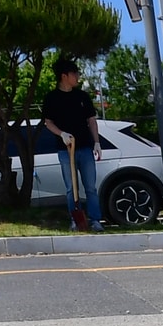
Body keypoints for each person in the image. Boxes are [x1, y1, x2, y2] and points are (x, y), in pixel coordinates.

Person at [42, 57, 103, 232]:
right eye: (74, 73)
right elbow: (48, 122)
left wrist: (97, 143)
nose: (77, 76)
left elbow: (91, 120)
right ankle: (75, 219)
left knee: (90, 186)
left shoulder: (82, 97)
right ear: (64, 76)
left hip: (84, 147)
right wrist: (61, 134)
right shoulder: (52, 98)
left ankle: (95, 220)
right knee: (71, 188)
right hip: (65, 150)